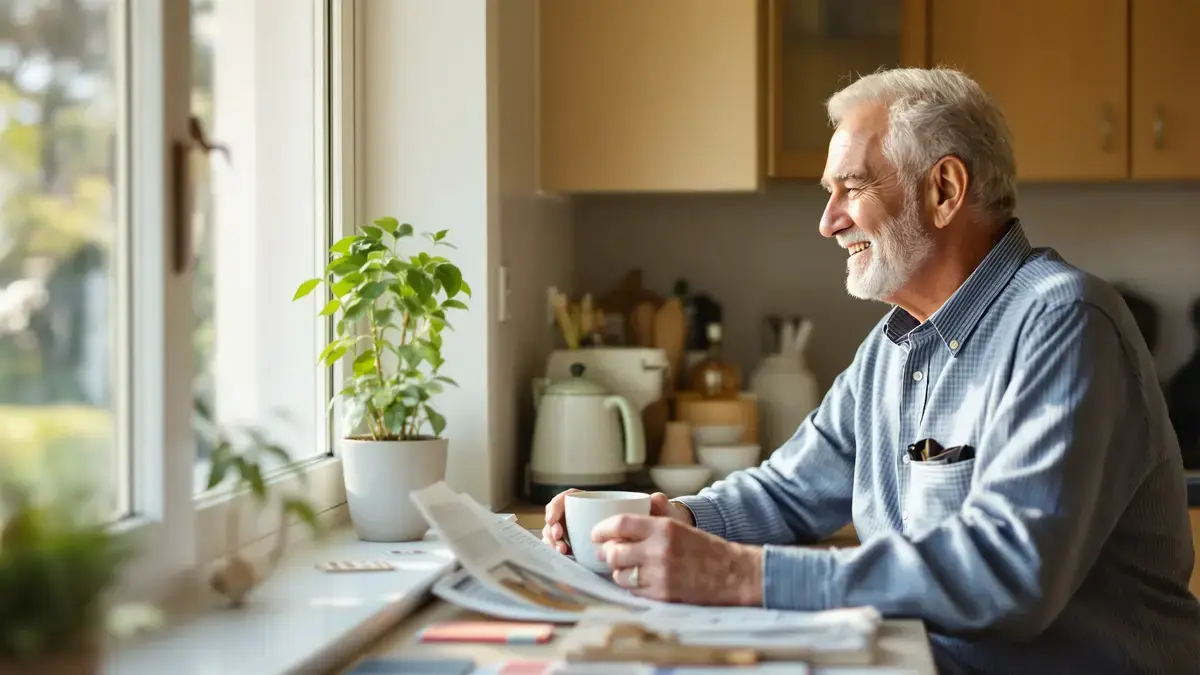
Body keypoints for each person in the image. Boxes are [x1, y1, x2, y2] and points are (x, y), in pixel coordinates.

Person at [542, 67, 1200, 674]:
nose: (828, 222)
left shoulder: (1065, 322)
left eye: (850, 187)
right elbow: (787, 490)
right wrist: (664, 521)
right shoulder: (894, 347)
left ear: (943, 189)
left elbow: (1009, 574)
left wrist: (742, 574)